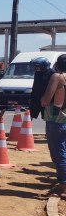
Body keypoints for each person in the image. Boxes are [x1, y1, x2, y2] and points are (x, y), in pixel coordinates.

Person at [40, 54, 66, 199]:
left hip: (56, 119)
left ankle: (63, 185)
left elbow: (46, 100)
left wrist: (41, 99)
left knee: (58, 153)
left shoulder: (57, 77)